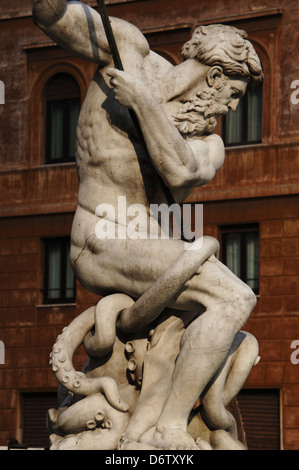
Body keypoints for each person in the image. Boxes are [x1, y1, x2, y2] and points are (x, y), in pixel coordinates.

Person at [33, 0, 263, 449]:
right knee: (234, 295)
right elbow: (51, 16)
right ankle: (166, 428)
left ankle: (169, 422)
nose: (231, 108)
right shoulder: (128, 51)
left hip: (153, 249)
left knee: (229, 304)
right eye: (233, 93)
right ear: (214, 76)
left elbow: (179, 171)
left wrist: (142, 102)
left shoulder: (209, 144)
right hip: (101, 235)